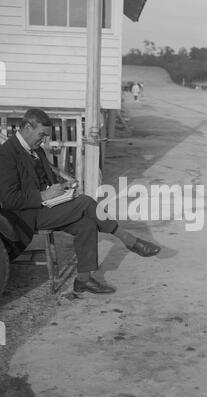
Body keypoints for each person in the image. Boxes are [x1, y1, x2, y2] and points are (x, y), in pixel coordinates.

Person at [0, 109, 160, 294]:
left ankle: (83, 279)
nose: (43, 140)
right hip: (27, 215)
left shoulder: (36, 150)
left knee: (86, 223)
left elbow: (47, 181)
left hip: (47, 207)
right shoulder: (6, 153)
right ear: (28, 127)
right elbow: (9, 199)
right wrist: (43, 196)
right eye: (41, 135)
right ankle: (129, 240)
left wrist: (63, 187)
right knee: (85, 202)